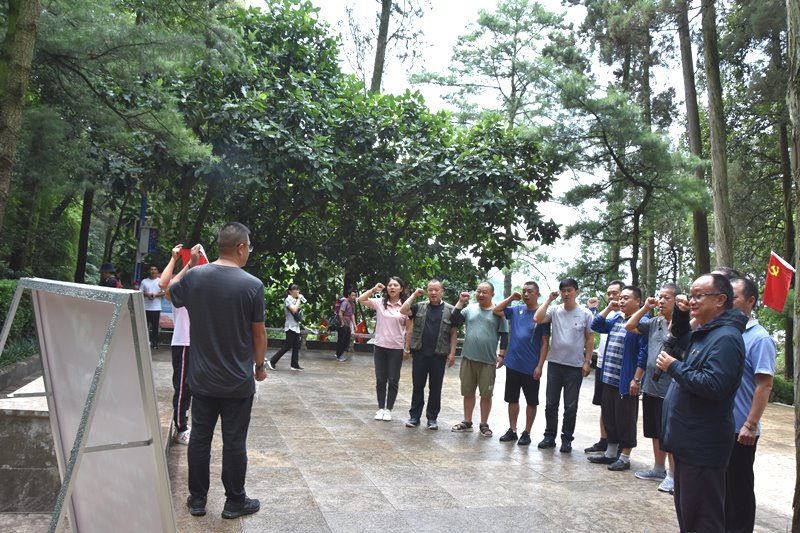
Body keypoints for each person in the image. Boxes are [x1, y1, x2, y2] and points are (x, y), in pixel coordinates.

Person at [166, 222, 267, 520]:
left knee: (200, 438)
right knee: (234, 442)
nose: (249, 251)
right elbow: (259, 333)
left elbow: (170, 293)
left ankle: (197, 500)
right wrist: (259, 367)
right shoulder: (252, 285)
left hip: (202, 379)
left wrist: (190, 265)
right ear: (240, 247)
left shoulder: (196, 277)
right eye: (249, 247)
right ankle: (234, 502)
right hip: (237, 381)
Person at [658, 273, 746, 533]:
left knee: (703, 519)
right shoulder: (708, 332)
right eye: (691, 295)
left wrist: (674, 367)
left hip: (703, 445)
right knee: (689, 515)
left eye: (699, 296)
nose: (692, 300)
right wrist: (681, 315)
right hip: (688, 442)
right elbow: (684, 341)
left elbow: (714, 385)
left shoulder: (727, 338)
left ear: (720, 300)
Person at [726, 276, 776, 532]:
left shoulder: (759, 339)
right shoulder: (729, 333)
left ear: (750, 301)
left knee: (739, 486)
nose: (727, 301)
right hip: (722, 425)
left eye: (733, 297)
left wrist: (750, 424)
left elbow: (764, 385)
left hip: (741, 429)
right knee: (724, 486)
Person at [624, 283, 681, 493]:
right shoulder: (655, 321)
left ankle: (673, 475)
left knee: (669, 433)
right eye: (660, 296)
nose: (661, 301)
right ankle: (658, 468)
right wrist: (645, 308)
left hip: (670, 388)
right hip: (651, 385)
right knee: (655, 430)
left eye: (667, 298)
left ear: (677, 301)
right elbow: (630, 326)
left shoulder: (683, 325)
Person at [588, 285, 647, 470]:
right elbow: (596, 325)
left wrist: (636, 379)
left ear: (638, 301)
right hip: (608, 377)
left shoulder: (643, 322)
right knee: (610, 416)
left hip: (626, 381)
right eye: (621, 298)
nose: (621, 301)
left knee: (625, 419)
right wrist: (609, 308)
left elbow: (644, 353)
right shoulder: (617, 318)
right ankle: (610, 453)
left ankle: (625, 457)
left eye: (626, 298)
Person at [533, 278, 594, 453]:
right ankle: (549, 436)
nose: (566, 294)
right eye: (563, 291)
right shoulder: (555, 310)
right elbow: (537, 318)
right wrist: (549, 300)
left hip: (574, 366)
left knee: (570, 406)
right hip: (555, 364)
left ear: (577, 292)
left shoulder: (585, 313)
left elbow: (590, 338)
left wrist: (587, 361)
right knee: (551, 403)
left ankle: (567, 439)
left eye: (569, 290)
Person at [493, 282, 550, 446]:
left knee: (531, 401)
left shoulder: (542, 316)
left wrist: (540, 366)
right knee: (512, 399)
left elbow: (545, 343)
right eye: (524, 291)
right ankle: (512, 430)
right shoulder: (516, 310)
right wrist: (511, 297)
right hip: (513, 363)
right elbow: (496, 310)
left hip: (531, 366)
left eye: (530, 291)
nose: (526, 294)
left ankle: (527, 432)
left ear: (537, 294)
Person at [449, 282, 508, 438]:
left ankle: (484, 424)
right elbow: (454, 319)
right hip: (468, 358)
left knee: (486, 394)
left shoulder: (498, 312)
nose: (481, 294)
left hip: (488, 361)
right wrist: (461, 302)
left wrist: (502, 355)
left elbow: (504, 335)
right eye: (479, 291)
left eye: (485, 292)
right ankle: (467, 421)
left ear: (492, 294)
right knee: (468, 392)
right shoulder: (470, 309)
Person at [399, 279, 458, 430]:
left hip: (439, 355)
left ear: (442, 291)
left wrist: (452, 353)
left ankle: (432, 418)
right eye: (430, 289)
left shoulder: (450, 310)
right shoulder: (419, 306)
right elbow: (403, 310)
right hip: (420, 353)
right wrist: (414, 295)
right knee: (417, 386)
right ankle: (414, 417)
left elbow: (453, 333)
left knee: (435, 388)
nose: (433, 292)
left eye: (436, 290)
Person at [159, 246, 197, 446]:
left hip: (199, 344)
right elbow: (164, 284)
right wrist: (178, 260)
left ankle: (187, 423)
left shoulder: (201, 289)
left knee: (196, 387)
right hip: (184, 343)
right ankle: (181, 428)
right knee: (183, 387)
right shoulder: (179, 292)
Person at [358, 277, 409, 422]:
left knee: (393, 379)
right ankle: (381, 408)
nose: (392, 287)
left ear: (401, 288)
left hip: (396, 348)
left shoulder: (405, 306)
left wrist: (407, 348)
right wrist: (374, 290)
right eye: (390, 285)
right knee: (380, 379)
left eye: (395, 285)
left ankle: (388, 409)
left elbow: (409, 328)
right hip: (380, 346)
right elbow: (361, 300)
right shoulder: (380, 303)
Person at [585, 280, 624, 454]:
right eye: (608, 293)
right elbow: (595, 324)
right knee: (604, 405)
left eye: (615, 293)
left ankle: (620, 444)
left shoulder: (628, 316)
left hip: (618, 368)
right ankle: (604, 439)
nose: (611, 296)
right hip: (602, 365)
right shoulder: (609, 314)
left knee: (619, 408)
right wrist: (594, 309)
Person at [268, 284, 306, 371]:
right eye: (295, 289)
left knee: (296, 345)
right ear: (290, 291)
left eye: (298, 289)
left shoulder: (294, 300)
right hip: (290, 326)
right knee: (288, 345)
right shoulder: (288, 299)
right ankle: (272, 361)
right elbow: (294, 310)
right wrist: (299, 299)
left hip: (296, 326)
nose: (297, 291)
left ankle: (294, 365)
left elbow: (297, 311)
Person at [140, 264, 165, 349]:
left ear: (157, 271)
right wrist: (147, 294)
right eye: (151, 269)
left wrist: (155, 295)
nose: (153, 271)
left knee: (155, 327)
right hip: (146, 307)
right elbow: (140, 293)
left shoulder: (160, 281)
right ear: (149, 271)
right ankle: (144, 343)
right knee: (145, 326)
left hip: (156, 308)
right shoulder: (144, 281)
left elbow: (164, 292)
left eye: (155, 269)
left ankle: (155, 343)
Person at [335, 290, 357, 362]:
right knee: (341, 340)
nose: (354, 297)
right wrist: (342, 323)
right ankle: (339, 355)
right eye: (352, 295)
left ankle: (339, 353)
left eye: (355, 295)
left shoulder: (352, 304)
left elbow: (352, 314)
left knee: (346, 340)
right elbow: (340, 313)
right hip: (343, 324)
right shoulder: (345, 303)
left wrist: (354, 324)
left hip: (348, 324)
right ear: (349, 295)